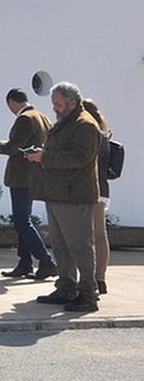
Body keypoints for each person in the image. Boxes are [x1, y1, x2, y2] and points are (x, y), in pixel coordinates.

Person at [26, 82, 101, 313]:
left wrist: (44, 157)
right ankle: (66, 287)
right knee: (60, 247)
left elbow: (80, 157)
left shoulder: (85, 125)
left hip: (75, 195)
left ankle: (88, 295)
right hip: (58, 193)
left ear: (72, 102)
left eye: (58, 104)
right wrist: (40, 154)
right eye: (54, 104)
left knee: (79, 247)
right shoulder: (65, 123)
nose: (55, 108)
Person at [0, 88, 57, 280]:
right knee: (23, 218)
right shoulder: (42, 117)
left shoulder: (25, 119)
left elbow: (14, 148)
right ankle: (24, 262)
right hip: (35, 174)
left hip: (22, 176)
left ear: (11, 102)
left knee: (21, 220)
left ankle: (46, 262)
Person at [82, 99, 113, 295]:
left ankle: (94, 279)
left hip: (90, 190)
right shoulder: (104, 136)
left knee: (88, 237)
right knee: (100, 235)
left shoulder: (90, 135)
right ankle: (100, 278)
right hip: (103, 189)